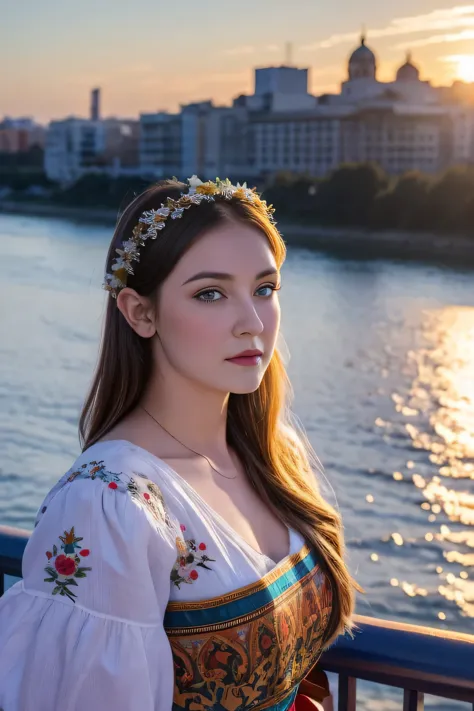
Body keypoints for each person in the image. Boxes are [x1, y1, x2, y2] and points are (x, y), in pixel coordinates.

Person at [0, 177, 356, 711]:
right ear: (140, 313)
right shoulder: (111, 503)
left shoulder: (266, 453)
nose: (253, 323)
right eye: (210, 293)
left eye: (265, 288)